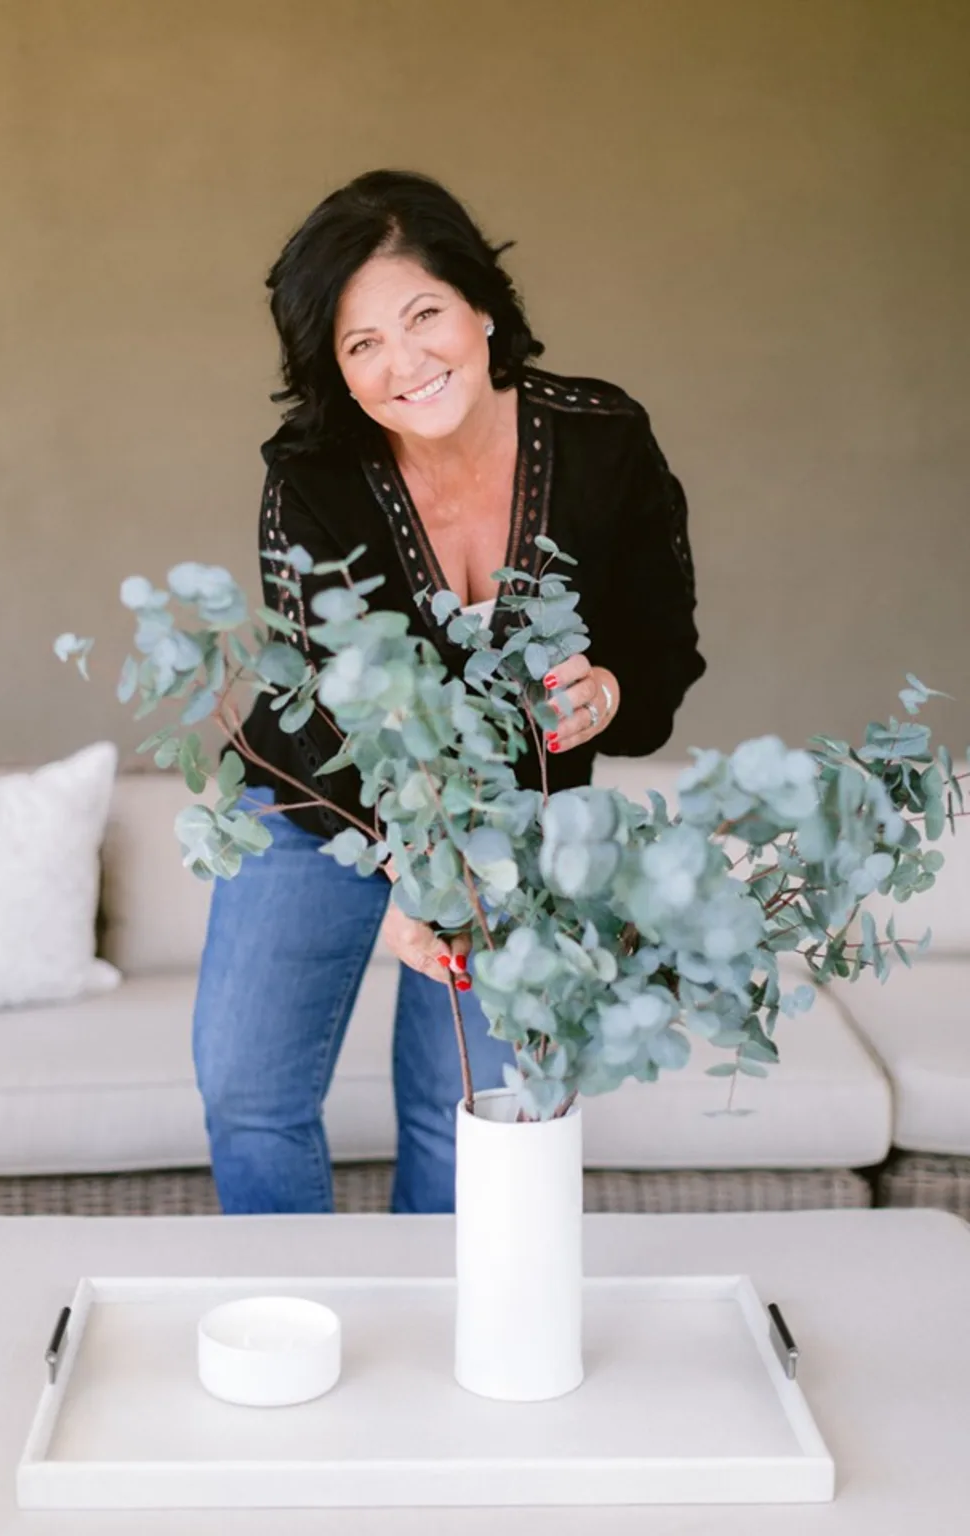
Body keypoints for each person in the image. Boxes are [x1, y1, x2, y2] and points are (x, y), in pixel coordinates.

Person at [192, 169, 706, 1215]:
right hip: (317, 805)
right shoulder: (311, 474)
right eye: (362, 343)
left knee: (465, 1106)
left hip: (510, 832)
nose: (405, 362)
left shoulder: (603, 440)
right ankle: (292, 1301)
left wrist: (608, 691)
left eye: (424, 315)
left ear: (482, 307)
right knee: (250, 1094)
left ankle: (439, 1308)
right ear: (336, 370)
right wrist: (405, 874)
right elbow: (324, 702)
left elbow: (663, 648)